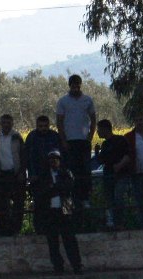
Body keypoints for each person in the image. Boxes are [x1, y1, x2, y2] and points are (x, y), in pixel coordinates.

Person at [32, 150, 83, 274]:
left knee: (70, 240)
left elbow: (68, 187)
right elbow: (41, 192)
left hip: (65, 210)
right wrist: (56, 189)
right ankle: (58, 267)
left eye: (56, 159)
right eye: (51, 159)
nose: (53, 162)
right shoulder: (44, 175)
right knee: (53, 242)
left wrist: (53, 188)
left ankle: (76, 265)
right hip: (50, 212)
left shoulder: (66, 173)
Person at [56, 74, 97, 206]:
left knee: (85, 170)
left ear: (80, 84)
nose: (76, 86)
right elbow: (59, 122)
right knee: (69, 171)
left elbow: (93, 119)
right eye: (73, 84)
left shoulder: (87, 100)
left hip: (83, 141)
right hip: (69, 142)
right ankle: (70, 201)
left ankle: (85, 199)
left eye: (78, 84)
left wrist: (90, 137)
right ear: (70, 85)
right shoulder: (63, 101)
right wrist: (63, 140)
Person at [0, 113, 26, 236]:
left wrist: (21, 172)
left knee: (18, 204)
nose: (6, 125)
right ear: (0, 124)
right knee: (2, 205)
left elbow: (23, 156)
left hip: (15, 174)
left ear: (12, 123)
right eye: (4, 123)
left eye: (9, 123)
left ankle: (16, 230)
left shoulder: (17, 137)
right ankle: (3, 230)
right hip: (1, 174)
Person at [95, 118, 131, 230]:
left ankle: (120, 222)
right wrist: (97, 153)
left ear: (105, 129)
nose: (98, 132)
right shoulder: (105, 144)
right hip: (108, 176)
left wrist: (119, 165)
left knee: (118, 197)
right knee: (109, 199)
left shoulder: (120, 140)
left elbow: (128, 155)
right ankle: (111, 222)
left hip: (120, 175)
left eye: (99, 129)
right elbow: (102, 160)